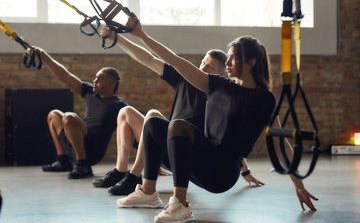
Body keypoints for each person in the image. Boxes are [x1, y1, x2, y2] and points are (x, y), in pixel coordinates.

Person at [115, 16, 318, 222]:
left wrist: (299, 185)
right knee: (153, 123)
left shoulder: (265, 99)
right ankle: (148, 193)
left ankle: (180, 205)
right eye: (228, 58)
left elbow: (280, 144)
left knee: (178, 125)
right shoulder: (218, 84)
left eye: (233, 58)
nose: (228, 63)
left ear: (251, 62)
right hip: (201, 162)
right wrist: (141, 35)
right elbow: (176, 61)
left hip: (223, 172)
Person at [93, 26, 264, 195]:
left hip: (187, 155)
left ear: (220, 74)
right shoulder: (184, 80)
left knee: (153, 114)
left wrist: (245, 171)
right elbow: (148, 59)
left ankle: (134, 177)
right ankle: (121, 171)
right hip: (165, 145)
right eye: (203, 63)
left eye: (209, 67)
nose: (202, 68)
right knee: (127, 112)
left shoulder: (218, 94)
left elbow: (230, 140)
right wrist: (118, 38)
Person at [26, 48, 128, 179]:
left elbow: (137, 134)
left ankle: (83, 165)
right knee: (54, 115)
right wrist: (43, 55)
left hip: (93, 151)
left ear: (111, 84)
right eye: (95, 77)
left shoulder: (119, 106)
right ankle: (63, 160)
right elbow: (65, 75)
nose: (95, 81)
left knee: (69, 117)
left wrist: (154, 165)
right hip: (77, 142)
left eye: (99, 79)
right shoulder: (91, 92)